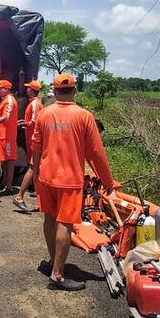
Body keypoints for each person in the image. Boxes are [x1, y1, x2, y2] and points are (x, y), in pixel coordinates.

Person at [32, 73, 114, 291]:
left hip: (46, 177)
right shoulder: (85, 116)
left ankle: (53, 262)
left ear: (55, 91)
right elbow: (96, 152)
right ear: (75, 91)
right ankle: (57, 274)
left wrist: (37, 174)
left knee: (49, 218)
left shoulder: (45, 114)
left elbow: (36, 148)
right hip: (69, 180)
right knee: (65, 223)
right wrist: (107, 181)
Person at [13, 80, 43, 212]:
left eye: (28, 88)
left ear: (32, 90)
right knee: (34, 167)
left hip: (33, 140)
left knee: (33, 167)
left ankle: (21, 196)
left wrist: (23, 123)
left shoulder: (35, 103)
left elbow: (34, 121)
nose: (26, 90)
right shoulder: (34, 103)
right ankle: (37, 194)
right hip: (32, 139)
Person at [0, 79, 18, 195]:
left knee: (9, 161)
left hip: (7, 136)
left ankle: (9, 187)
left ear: (6, 89)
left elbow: (5, 117)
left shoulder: (9, 101)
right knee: (6, 161)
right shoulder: (5, 100)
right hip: (3, 135)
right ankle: (5, 183)